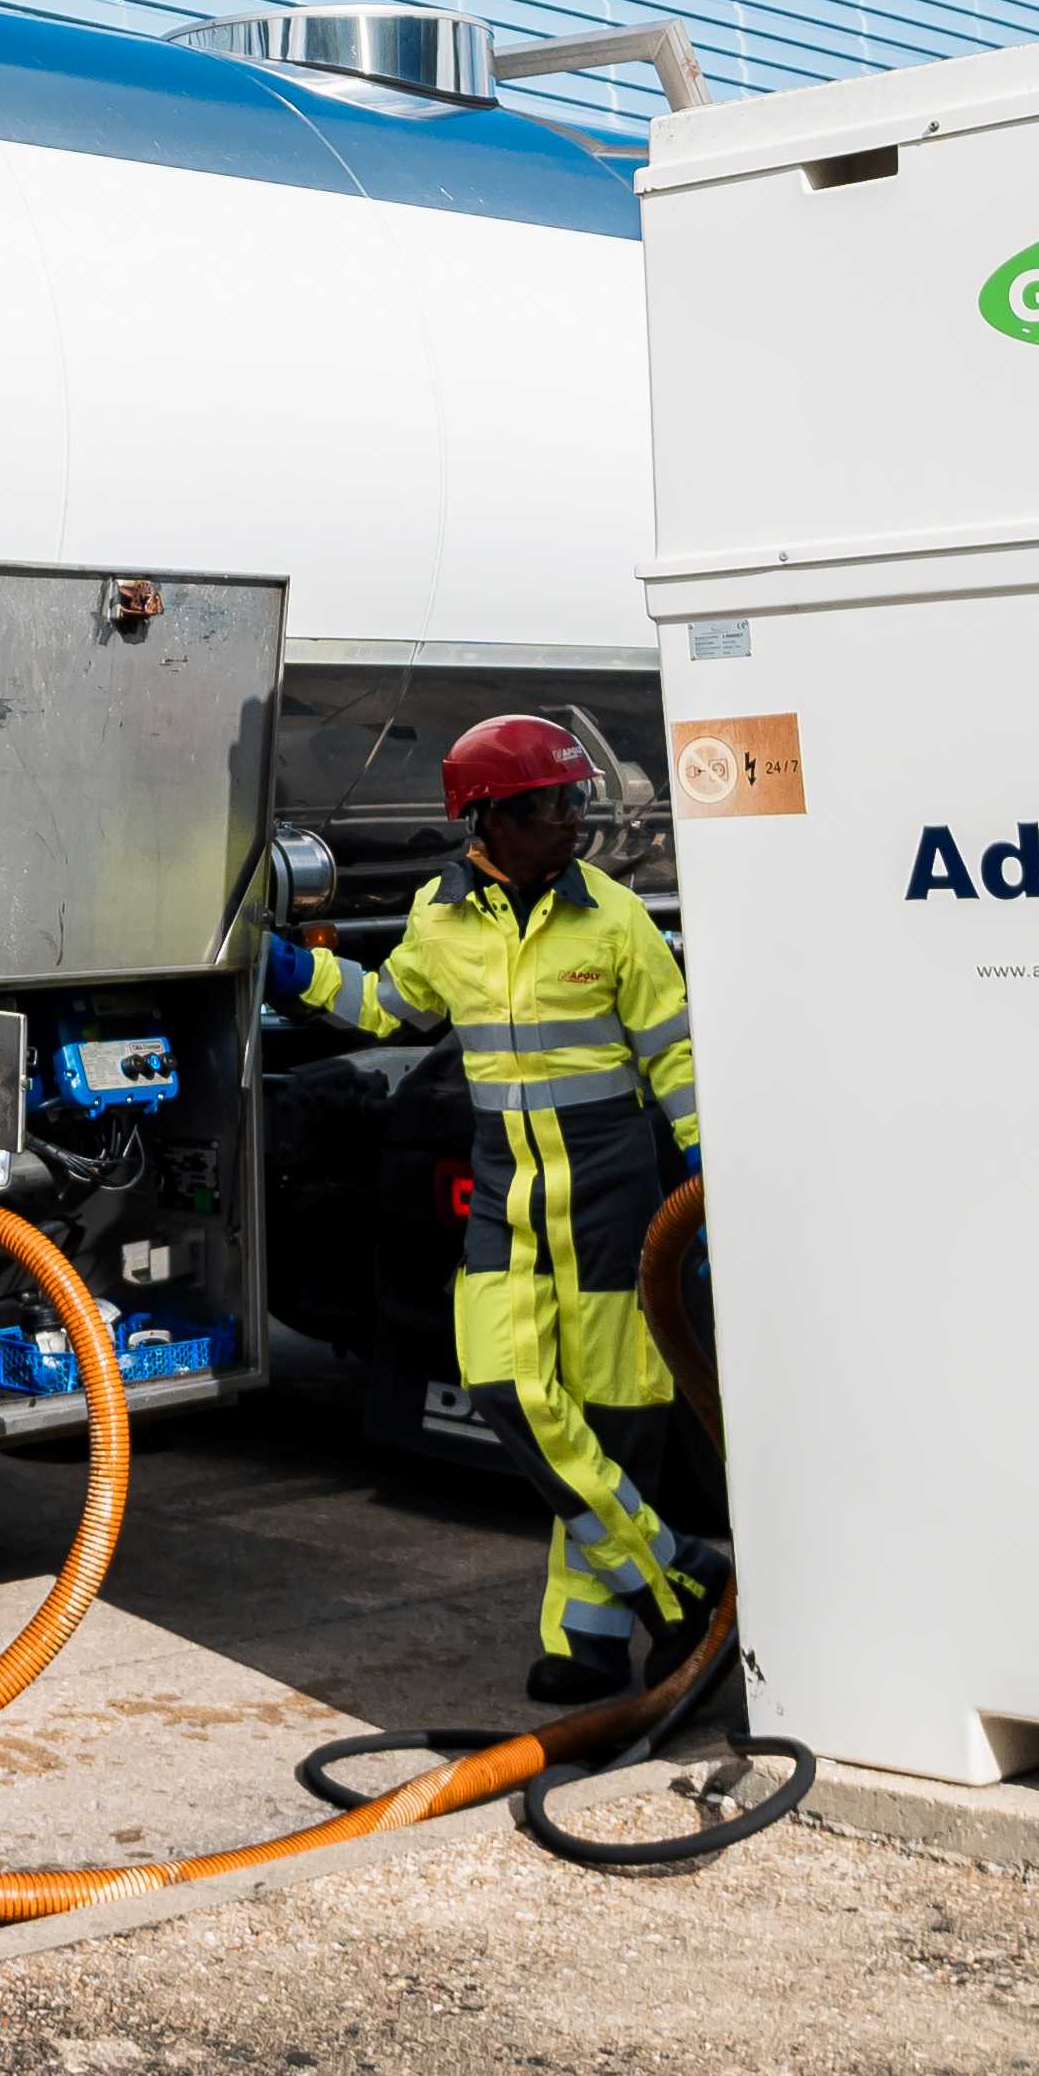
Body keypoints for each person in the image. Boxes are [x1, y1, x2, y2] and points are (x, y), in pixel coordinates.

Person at [266, 715, 713, 1703]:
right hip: (508, 1197)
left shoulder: (615, 919)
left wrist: (703, 1179)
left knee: (613, 1420)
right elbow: (390, 1006)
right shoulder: (439, 918)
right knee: (503, 1383)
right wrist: (297, 973)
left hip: (611, 1200)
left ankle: (589, 1644)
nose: (574, 820)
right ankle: (672, 1573)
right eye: (553, 805)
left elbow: (676, 1055)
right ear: (491, 819)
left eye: (575, 800)